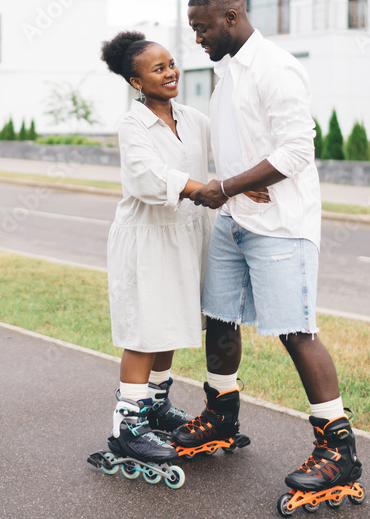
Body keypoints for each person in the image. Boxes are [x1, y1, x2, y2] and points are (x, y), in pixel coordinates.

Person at [172, 0, 362, 496]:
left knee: (296, 331)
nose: (197, 38)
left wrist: (230, 186)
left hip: (281, 226)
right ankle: (221, 416)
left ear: (231, 17)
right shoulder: (226, 71)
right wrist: (233, 189)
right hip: (235, 219)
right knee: (220, 318)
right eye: (193, 28)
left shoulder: (275, 68)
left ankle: (337, 451)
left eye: (202, 27)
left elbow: (297, 150)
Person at [98, 30, 269, 466]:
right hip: (148, 235)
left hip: (189, 232)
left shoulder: (192, 118)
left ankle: (155, 402)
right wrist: (205, 189)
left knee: (172, 319)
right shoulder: (132, 125)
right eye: (158, 69)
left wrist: (247, 183)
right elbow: (147, 177)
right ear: (137, 83)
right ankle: (127, 424)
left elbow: (229, 153)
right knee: (146, 326)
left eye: (171, 63)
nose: (171, 72)